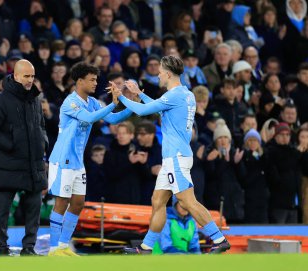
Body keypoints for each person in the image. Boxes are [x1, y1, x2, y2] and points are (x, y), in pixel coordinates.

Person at [115, 55, 230, 254]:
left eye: (160, 72)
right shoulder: (186, 94)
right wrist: (140, 95)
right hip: (175, 156)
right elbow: (160, 109)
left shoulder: (174, 95)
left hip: (176, 156)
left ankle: (219, 239)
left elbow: (144, 112)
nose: (158, 75)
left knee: (187, 201)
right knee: (158, 201)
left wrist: (123, 97)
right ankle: (146, 247)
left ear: (168, 73)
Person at [47, 62, 132, 256]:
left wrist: (131, 105)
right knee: (62, 202)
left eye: (96, 79)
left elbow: (112, 119)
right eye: (92, 80)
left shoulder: (92, 102)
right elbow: (88, 119)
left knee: (78, 203)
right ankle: (53, 249)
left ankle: (63, 246)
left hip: (77, 161)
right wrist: (113, 103)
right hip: (63, 159)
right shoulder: (70, 102)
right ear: (79, 81)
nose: (96, 83)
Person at [0, 59, 48, 256]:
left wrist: (43, 143)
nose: (30, 80)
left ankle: (29, 247)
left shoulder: (35, 100)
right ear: (15, 75)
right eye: (26, 76)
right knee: (3, 208)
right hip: (10, 163)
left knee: (34, 207)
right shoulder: (1, 100)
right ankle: (2, 248)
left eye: (32, 76)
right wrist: (12, 145)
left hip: (33, 163)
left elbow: (41, 126)